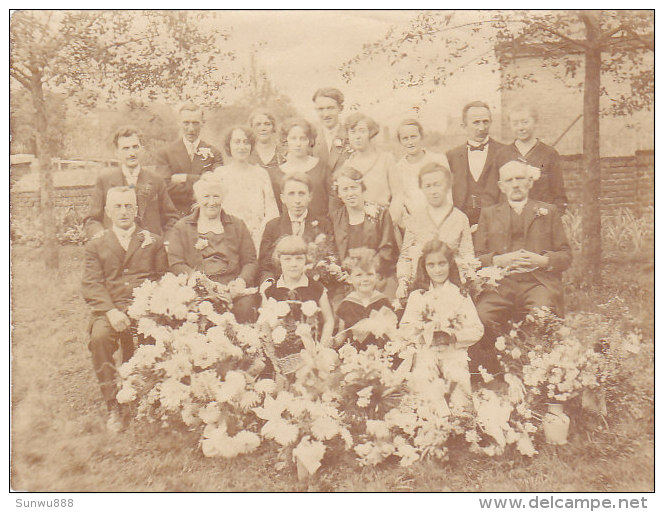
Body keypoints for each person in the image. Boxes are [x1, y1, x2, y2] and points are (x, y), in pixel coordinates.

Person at [470, 160, 572, 376]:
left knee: (543, 314)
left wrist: (543, 260)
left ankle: (537, 369)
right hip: (500, 283)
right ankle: (495, 366)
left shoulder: (548, 211)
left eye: (520, 179)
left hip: (537, 282)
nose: (515, 184)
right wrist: (499, 260)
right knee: (481, 315)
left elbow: (566, 256)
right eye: (509, 180)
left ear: (529, 182)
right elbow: (477, 258)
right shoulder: (489, 214)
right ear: (501, 186)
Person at [81, 186, 169, 432]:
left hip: (146, 309)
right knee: (99, 338)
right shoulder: (96, 245)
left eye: (128, 206)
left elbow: (162, 278)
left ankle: (150, 397)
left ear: (136, 209)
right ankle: (113, 405)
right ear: (108, 211)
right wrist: (110, 311)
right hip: (110, 310)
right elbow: (91, 284)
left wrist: (151, 307)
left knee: (157, 338)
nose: (123, 211)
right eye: (117, 206)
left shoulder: (152, 241)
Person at [399, 239, 483, 406]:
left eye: (442, 263)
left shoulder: (460, 294)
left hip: (453, 353)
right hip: (427, 353)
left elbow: (477, 329)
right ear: (424, 267)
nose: (437, 270)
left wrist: (453, 336)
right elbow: (405, 327)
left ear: (450, 264)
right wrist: (423, 335)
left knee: (459, 390)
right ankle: (433, 418)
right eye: (431, 265)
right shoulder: (418, 296)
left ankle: (461, 420)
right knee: (425, 386)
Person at [165, 173, 259, 323]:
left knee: (244, 308)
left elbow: (251, 261)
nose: (211, 202)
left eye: (216, 196)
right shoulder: (182, 227)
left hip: (231, 288)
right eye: (206, 196)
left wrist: (241, 281)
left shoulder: (237, 225)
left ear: (223, 198)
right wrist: (197, 280)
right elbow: (176, 262)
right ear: (197, 198)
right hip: (198, 289)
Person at [84, 126, 179, 239]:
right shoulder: (105, 180)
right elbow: (92, 220)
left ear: (142, 150)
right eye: (126, 148)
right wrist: (100, 236)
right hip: (116, 249)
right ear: (117, 153)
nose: (132, 153)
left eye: (135, 147)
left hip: (149, 249)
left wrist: (167, 243)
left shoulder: (156, 180)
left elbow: (171, 219)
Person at [397, 163, 474, 299]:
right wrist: (403, 282)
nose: (433, 191)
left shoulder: (460, 218)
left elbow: (468, 256)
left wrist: (466, 280)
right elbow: (405, 256)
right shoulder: (415, 219)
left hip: (454, 284)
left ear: (448, 185)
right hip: (422, 284)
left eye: (438, 184)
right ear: (422, 188)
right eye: (428, 186)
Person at [262, 235, 335, 376]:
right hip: (282, 356)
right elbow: (265, 325)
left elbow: (329, 320)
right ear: (279, 260)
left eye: (299, 258)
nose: (293, 264)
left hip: (312, 352)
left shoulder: (316, 289)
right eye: (287, 259)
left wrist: (322, 346)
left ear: (305, 260)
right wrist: (273, 352)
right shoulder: (271, 292)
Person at [331, 166, 399, 298]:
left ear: (362, 188)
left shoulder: (380, 214)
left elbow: (387, 251)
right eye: (345, 189)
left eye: (354, 187)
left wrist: (365, 273)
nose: (350, 193)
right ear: (339, 193)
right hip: (348, 280)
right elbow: (334, 252)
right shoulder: (336, 219)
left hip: (378, 277)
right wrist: (343, 272)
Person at [258, 172, 335, 284]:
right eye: (291, 194)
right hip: (281, 287)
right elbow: (265, 266)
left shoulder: (323, 225)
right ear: (283, 198)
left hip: (315, 286)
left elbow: (330, 260)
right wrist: (269, 283)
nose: (297, 200)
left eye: (301, 194)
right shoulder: (272, 226)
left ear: (310, 196)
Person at [214, 125, 279, 250]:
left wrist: (261, 233)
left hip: (257, 239)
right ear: (229, 146)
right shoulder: (220, 174)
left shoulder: (261, 174)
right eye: (237, 142)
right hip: (227, 239)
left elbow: (272, 211)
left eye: (246, 142)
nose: (242, 147)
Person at [446, 101, 510, 227]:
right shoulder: (451, 156)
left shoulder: (505, 153)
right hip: (462, 224)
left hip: (496, 223)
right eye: (476, 122)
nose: (481, 128)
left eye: (485, 122)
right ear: (464, 126)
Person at [155, 103, 224, 216]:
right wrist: (202, 180)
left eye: (195, 123)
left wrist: (186, 178)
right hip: (176, 217)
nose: (191, 129)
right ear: (179, 123)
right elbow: (165, 188)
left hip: (207, 216)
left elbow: (217, 186)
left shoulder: (214, 153)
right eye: (186, 123)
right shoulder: (165, 153)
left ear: (203, 124)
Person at [504, 103, 568, 212]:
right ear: (510, 125)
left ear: (535, 123)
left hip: (541, 218)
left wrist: (551, 217)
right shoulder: (503, 154)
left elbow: (559, 195)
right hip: (511, 220)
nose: (521, 128)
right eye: (515, 123)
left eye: (525, 122)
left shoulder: (549, 153)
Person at [390, 119, 449, 230]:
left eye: (413, 137)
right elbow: (400, 202)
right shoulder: (398, 169)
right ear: (400, 141)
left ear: (421, 137)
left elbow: (448, 193)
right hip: (415, 226)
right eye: (405, 138)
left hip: (442, 221)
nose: (410, 142)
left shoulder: (439, 160)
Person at [335, 248, 394, 351]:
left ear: (377, 276)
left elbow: (391, 331)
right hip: (353, 355)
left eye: (370, 274)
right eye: (359, 275)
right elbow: (342, 334)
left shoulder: (383, 301)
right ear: (350, 278)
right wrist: (334, 342)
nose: (365, 279)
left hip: (380, 354)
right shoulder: (346, 304)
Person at [273, 117, 332, 218]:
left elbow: (332, 202)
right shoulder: (277, 173)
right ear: (285, 140)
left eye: (303, 138)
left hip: (321, 228)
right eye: (293, 138)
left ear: (310, 141)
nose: (298, 144)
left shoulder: (322, 168)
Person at [341, 112, 399, 210]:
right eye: (353, 132)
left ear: (370, 133)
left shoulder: (386, 159)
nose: (357, 136)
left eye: (362, 131)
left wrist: (392, 219)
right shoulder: (348, 164)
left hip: (383, 219)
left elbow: (398, 194)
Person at [311, 87, 351, 173]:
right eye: (321, 109)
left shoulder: (351, 136)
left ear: (340, 109)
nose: (326, 114)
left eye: (330, 108)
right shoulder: (309, 137)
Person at [248, 108, 287, 174]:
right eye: (258, 124)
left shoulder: (284, 153)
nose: (263, 128)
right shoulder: (247, 154)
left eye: (267, 124)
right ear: (251, 128)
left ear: (273, 127)